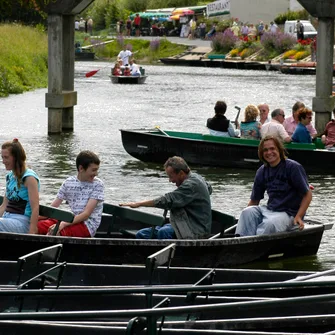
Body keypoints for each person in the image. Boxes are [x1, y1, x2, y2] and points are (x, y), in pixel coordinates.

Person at [235, 136, 312, 236]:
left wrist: (299, 216)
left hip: (288, 214)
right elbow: (254, 201)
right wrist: (243, 221)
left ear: (279, 150)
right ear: (261, 154)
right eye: (265, 150)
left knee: (269, 224)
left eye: (272, 149)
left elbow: (308, 194)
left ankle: (256, 245)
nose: (269, 152)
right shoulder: (262, 171)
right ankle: (241, 242)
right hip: (270, 210)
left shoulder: (293, 167)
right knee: (247, 212)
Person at [120, 156, 212, 239]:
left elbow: (167, 200)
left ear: (181, 173)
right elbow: (209, 189)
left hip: (194, 229)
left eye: (171, 177)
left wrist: (139, 204)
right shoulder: (197, 177)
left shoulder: (191, 185)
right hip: (181, 223)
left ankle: (167, 257)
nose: (170, 180)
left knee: (163, 232)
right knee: (142, 234)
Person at [38, 151, 104, 237]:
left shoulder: (98, 185)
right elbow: (53, 208)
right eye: (93, 170)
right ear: (81, 168)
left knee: (56, 232)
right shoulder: (69, 182)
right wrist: (34, 218)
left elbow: (85, 215)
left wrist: (62, 224)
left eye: (97, 170)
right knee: (37, 226)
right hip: (69, 220)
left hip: (86, 225)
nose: (96, 174)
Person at [0, 139, 40, 234]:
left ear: (16, 158)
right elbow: (4, 205)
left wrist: (32, 232)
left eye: (6, 157)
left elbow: (35, 207)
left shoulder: (29, 178)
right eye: (2, 157)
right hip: (7, 219)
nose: (3, 161)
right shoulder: (10, 176)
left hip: (22, 222)